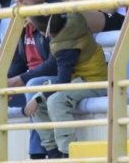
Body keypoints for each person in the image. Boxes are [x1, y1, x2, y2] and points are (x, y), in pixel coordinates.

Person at [25, 9, 109, 158]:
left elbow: (62, 83)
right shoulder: (69, 24)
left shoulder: (66, 46)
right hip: (78, 79)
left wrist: (38, 99)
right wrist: (37, 99)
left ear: (46, 31)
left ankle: (67, 152)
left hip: (94, 81)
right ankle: (53, 152)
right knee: (37, 102)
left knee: (55, 101)